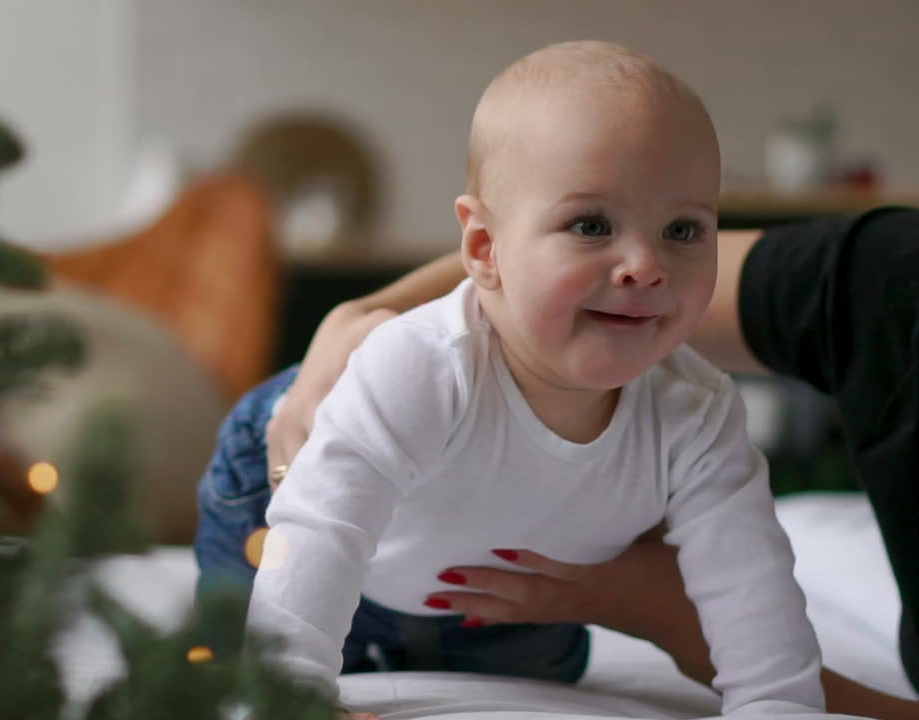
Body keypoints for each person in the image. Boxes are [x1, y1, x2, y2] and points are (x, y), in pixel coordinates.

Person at [196, 41, 826, 719]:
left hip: (475, 585)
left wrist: (775, 703)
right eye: (591, 225)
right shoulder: (423, 366)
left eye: (682, 229)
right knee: (242, 673)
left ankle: (403, 641)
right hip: (285, 494)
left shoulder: (696, 412)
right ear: (484, 250)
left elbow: (747, 578)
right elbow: (322, 529)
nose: (645, 264)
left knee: (547, 668)